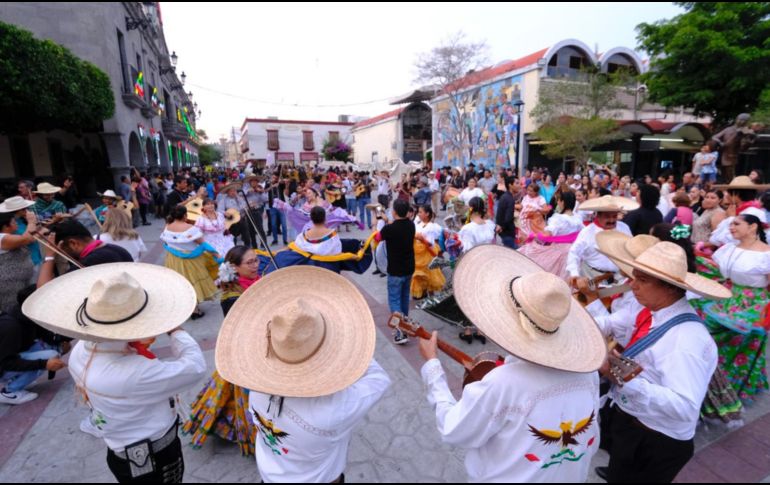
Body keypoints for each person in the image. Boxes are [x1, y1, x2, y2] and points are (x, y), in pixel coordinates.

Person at [420, 245, 604, 482]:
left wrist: (433, 367)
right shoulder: (588, 374)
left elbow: (453, 430)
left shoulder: (504, 384)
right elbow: (591, 441)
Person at [22, 263, 207, 483]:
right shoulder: (134, 372)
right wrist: (176, 330)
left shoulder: (81, 351)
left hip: (121, 453)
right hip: (154, 458)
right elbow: (195, 366)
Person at [215, 266, 391, 483]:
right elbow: (378, 378)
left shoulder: (257, 391)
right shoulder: (334, 410)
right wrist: (347, 346)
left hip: (269, 477)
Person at [592, 234, 731, 482]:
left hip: (654, 440)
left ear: (669, 287)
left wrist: (621, 377)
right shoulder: (656, 311)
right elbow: (615, 323)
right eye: (634, 277)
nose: (633, 286)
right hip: (636, 425)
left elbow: (684, 407)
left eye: (642, 280)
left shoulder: (685, 341)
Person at [183, 246, 260, 456]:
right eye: (250, 262)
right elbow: (243, 329)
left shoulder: (255, 282)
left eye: (256, 260)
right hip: (245, 351)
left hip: (256, 345)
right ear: (234, 267)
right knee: (247, 396)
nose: (255, 265)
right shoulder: (231, 297)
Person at [691, 213, 770, 401]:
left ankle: (734, 387)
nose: (731, 228)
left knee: (742, 344)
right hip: (727, 297)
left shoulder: (766, 255)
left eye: (736, 224)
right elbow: (715, 270)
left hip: (753, 304)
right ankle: (712, 383)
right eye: (731, 224)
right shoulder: (728, 249)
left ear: (752, 227)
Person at [567, 195, 635, 293]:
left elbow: (631, 249)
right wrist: (574, 274)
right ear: (598, 216)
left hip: (619, 278)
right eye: (607, 217)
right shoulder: (587, 232)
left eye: (614, 216)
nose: (611, 220)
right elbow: (574, 253)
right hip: (592, 277)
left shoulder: (624, 228)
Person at [161, 206, 219, 319]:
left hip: (173, 259)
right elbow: (203, 244)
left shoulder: (167, 226)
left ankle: (186, 306)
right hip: (190, 260)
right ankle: (194, 310)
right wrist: (216, 255)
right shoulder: (190, 228)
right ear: (185, 215)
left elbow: (167, 243)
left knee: (180, 281)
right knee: (192, 281)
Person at [518, 191, 583, 280]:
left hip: (560, 252)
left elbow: (546, 236)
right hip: (574, 251)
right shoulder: (577, 218)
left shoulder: (558, 219)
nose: (558, 203)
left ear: (563, 202)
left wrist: (532, 236)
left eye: (559, 200)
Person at [377, 199, 415, 345]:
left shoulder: (389, 229)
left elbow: (378, 237)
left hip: (395, 270)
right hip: (408, 268)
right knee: (404, 298)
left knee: (394, 300)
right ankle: (405, 326)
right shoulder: (411, 225)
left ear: (394, 212)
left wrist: (382, 221)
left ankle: (400, 331)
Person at [0, 207, 37, 313]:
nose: (16, 223)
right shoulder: (2, 238)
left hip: (21, 279)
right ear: (5, 226)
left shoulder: (8, 236)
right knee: (14, 308)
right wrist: (31, 222)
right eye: (13, 221)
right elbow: (26, 239)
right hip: (10, 283)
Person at [411, 205, 446, 299]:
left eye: (420, 212)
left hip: (427, 253)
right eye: (418, 212)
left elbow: (431, 243)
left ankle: (431, 298)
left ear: (427, 214)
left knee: (430, 276)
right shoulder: (418, 225)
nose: (418, 214)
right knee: (420, 275)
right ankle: (424, 294)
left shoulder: (431, 227)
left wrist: (422, 239)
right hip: (418, 254)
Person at [495, 176, 518, 249]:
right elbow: (508, 218)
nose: (519, 186)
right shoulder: (509, 199)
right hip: (508, 233)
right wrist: (502, 227)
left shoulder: (505, 196)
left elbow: (499, 214)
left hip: (503, 232)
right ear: (510, 185)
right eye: (517, 183)